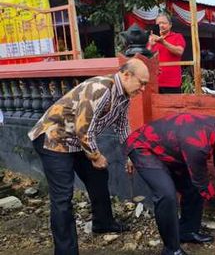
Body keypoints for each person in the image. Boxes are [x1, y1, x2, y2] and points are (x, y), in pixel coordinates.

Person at [28, 58, 150, 255]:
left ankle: (103, 223)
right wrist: (95, 155)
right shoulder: (101, 89)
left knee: (99, 175)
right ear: (126, 75)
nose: (143, 88)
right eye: (142, 82)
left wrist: (130, 154)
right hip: (53, 139)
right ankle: (65, 251)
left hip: (76, 141)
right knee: (62, 198)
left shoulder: (124, 96)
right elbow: (84, 129)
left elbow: (122, 128)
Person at [124, 113, 215, 255]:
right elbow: (200, 181)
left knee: (193, 189)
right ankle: (171, 249)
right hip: (144, 147)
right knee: (166, 194)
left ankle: (187, 231)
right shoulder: (198, 146)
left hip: (172, 150)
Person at [149, 14, 186, 94]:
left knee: (173, 105)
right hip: (154, 82)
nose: (161, 25)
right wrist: (151, 46)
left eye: (164, 23)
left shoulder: (177, 36)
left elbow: (179, 52)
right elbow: (146, 58)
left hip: (172, 83)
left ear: (170, 25)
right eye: (158, 24)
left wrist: (163, 42)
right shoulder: (152, 40)